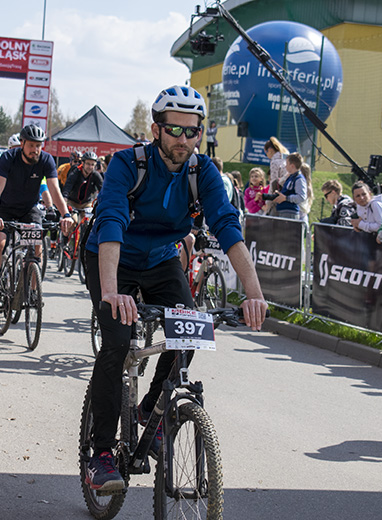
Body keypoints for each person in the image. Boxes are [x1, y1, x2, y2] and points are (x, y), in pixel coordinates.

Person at [82, 85, 267, 493]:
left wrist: (254, 294)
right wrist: (113, 292)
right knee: (116, 342)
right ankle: (100, 455)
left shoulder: (204, 172)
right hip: (111, 257)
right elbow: (110, 220)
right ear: (156, 129)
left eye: (193, 132)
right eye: (175, 130)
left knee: (191, 333)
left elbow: (228, 228)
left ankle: (151, 407)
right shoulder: (128, 164)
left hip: (162, 259)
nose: (184, 140)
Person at [0, 125, 74, 310]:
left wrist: (65, 214)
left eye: (39, 146)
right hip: (4, 208)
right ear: (22, 143)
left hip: (29, 209)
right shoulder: (8, 158)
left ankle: (33, 290)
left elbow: (54, 190)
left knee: (36, 246)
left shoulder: (46, 160)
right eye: (31, 145)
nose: (35, 150)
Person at [269, 152, 307, 220]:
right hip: (282, 211)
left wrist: (286, 198)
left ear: (292, 166)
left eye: (287, 164)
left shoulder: (299, 179)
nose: (285, 166)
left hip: (290, 213)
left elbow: (301, 197)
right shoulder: (290, 177)